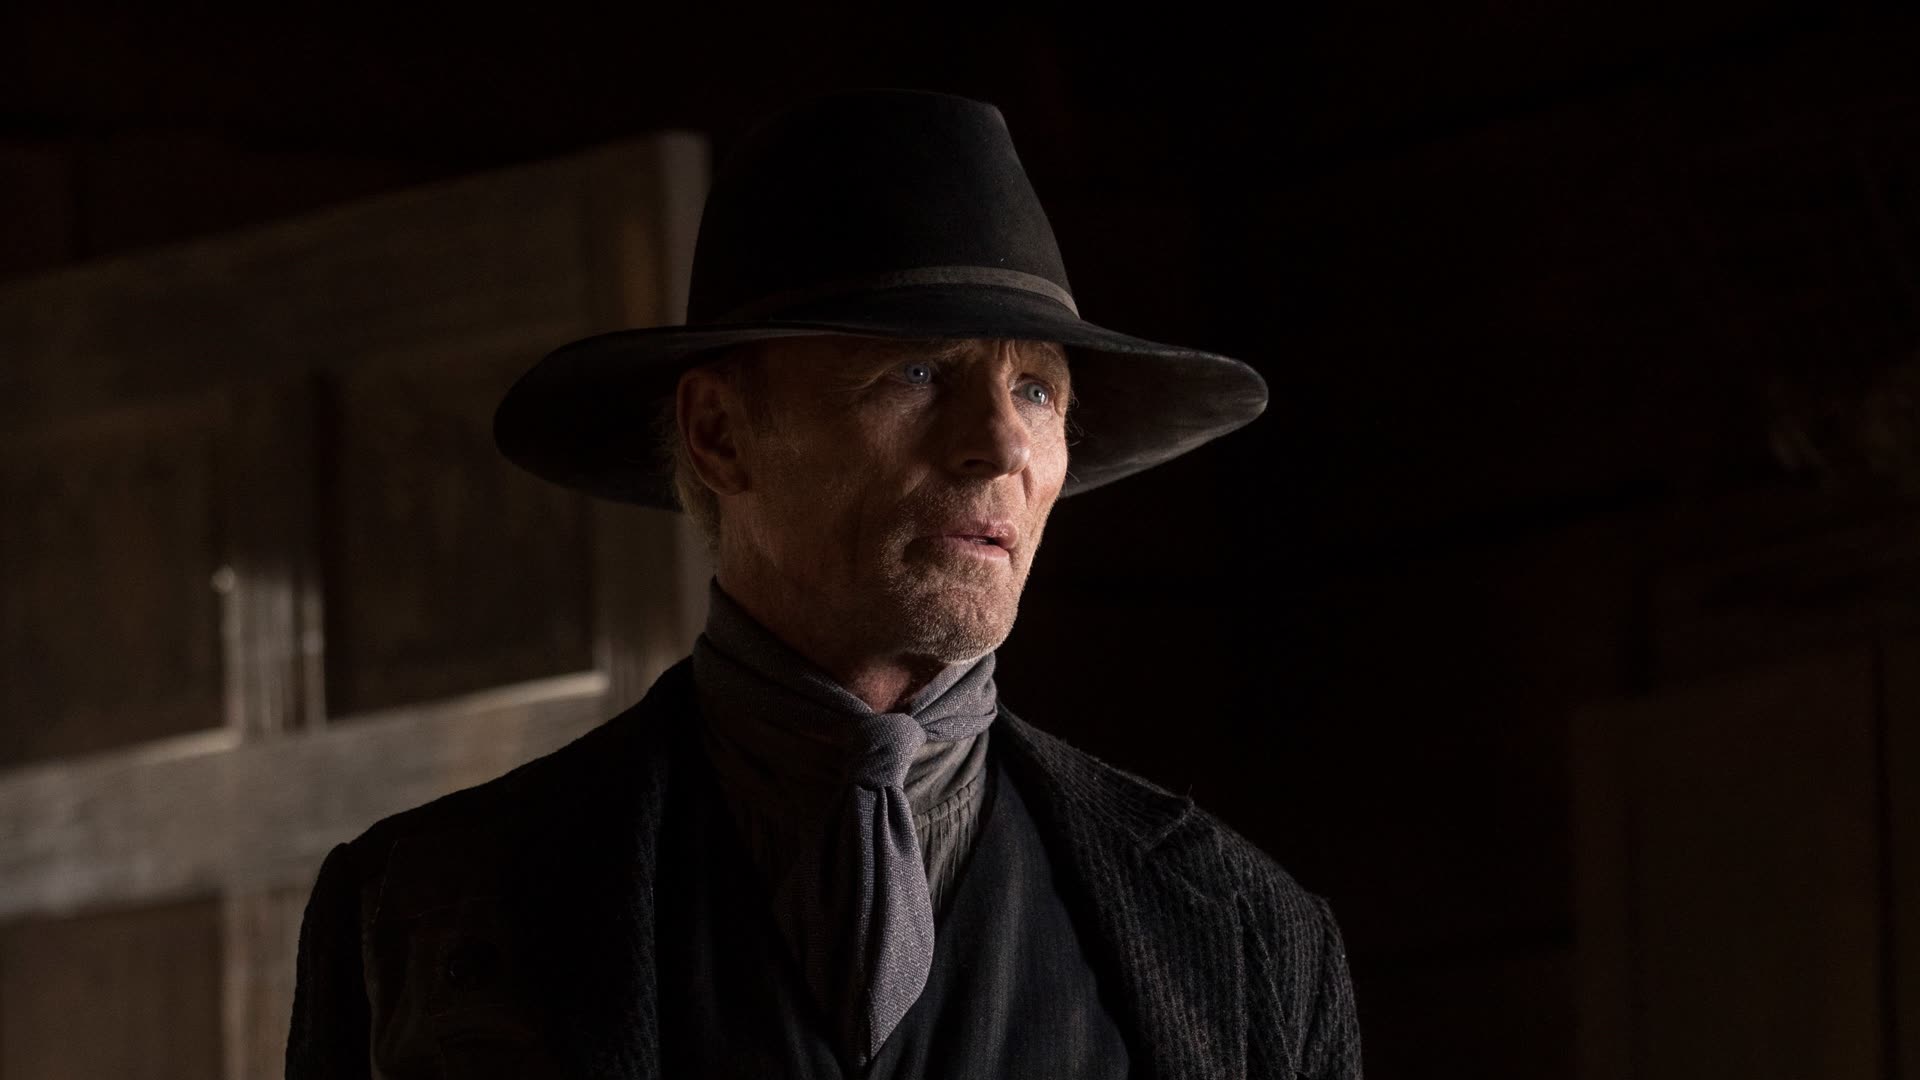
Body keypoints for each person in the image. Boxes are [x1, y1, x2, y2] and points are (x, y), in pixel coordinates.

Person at [287, 88, 1362, 1079]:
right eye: (918, 372)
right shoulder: (423, 906)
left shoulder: (1247, 936)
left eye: (1036, 389)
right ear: (719, 432)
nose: (1000, 445)